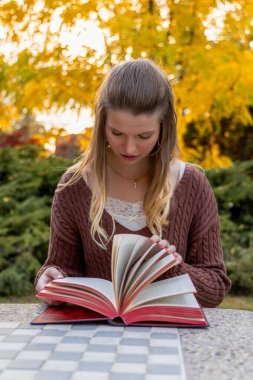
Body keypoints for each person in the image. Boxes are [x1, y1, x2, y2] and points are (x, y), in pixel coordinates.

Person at [35, 58, 231, 307]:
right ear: (102, 122)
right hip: (94, 339)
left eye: (144, 135)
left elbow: (214, 289)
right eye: (117, 133)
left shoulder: (192, 184)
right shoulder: (74, 186)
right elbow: (61, 270)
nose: (129, 148)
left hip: (172, 340)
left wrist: (169, 267)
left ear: (164, 128)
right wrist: (50, 277)